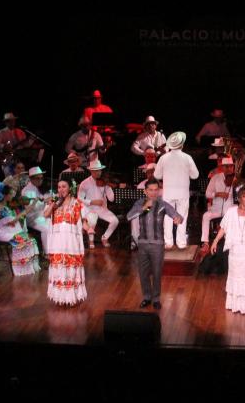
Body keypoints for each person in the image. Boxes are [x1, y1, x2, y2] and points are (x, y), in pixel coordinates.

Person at [126, 178, 183, 310]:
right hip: (143, 243)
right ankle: (146, 297)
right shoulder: (140, 203)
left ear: (159, 191)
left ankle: (156, 298)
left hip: (157, 244)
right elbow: (129, 216)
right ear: (145, 191)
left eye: (156, 190)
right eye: (150, 190)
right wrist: (144, 208)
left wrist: (177, 219)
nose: (153, 193)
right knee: (143, 272)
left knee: (157, 273)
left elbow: (178, 216)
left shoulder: (163, 204)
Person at [210, 185, 245, 315]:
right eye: (244, 196)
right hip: (236, 252)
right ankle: (236, 305)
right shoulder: (231, 211)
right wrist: (215, 241)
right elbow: (224, 227)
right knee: (237, 276)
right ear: (239, 198)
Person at [44, 180, 88, 306]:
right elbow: (45, 214)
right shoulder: (54, 203)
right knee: (59, 265)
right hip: (57, 240)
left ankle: (72, 297)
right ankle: (60, 297)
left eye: (64, 186)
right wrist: (53, 204)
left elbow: (84, 219)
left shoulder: (77, 203)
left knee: (71, 265)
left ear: (70, 188)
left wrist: (87, 227)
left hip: (71, 241)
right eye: (59, 187)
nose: (61, 189)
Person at [154, 131, 200, 249]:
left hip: (168, 192)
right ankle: (181, 243)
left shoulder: (163, 158)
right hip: (182, 192)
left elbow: (157, 175)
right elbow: (195, 175)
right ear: (182, 145)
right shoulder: (187, 158)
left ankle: (168, 242)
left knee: (168, 217)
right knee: (181, 216)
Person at [0, 180, 41, 277]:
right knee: (22, 241)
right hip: (2, 233)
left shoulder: (7, 206)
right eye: (12, 194)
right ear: (6, 195)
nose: (13, 196)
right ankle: (20, 268)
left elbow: (16, 218)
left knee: (31, 240)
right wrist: (23, 213)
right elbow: (11, 221)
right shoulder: (0, 207)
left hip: (10, 230)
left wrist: (33, 204)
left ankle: (28, 267)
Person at [77, 160, 118, 249]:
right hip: (89, 208)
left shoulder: (104, 182)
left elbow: (111, 199)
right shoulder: (85, 183)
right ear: (91, 171)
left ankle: (105, 237)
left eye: (99, 170)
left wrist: (108, 185)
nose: (98, 172)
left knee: (115, 220)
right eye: (95, 170)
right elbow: (79, 198)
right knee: (92, 219)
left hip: (101, 209)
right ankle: (91, 240)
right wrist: (92, 201)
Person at [201, 156, 236, 251]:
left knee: (234, 214)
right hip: (216, 208)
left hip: (230, 208)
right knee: (206, 216)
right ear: (222, 167)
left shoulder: (236, 179)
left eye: (231, 166)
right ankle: (205, 242)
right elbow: (207, 194)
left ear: (233, 167)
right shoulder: (215, 178)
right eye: (226, 166)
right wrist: (217, 194)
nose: (229, 169)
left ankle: (230, 241)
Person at [0, 112, 33, 178]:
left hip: (19, 158)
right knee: (10, 179)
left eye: (13, 120)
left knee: (21, 177)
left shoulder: (20, 131)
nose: (12, 122)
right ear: (6, 122)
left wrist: (32, 139)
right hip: (7, 159)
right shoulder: (1, 132)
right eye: (9, 121)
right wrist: (3, 146)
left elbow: (26, 145)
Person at [21, 166, 52, 254]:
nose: (40, 180)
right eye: (38, 178)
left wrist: (52, 198)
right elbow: (31, 208)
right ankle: (47, 253)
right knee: (47, 229)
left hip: (41, 214)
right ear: (31, 179)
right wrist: (45, 201)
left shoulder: (39, 187)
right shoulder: (27, 191)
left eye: (41, 178)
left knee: (56, 223)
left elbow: (45, 197)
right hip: (31, 218)